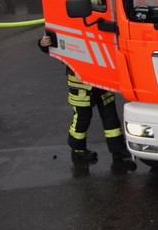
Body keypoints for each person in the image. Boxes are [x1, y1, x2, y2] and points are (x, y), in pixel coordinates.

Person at [39, 29, 135, 168]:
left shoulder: (101, 20)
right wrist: (43, 44)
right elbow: (57, 46)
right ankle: (77, 150)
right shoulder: (70, 22)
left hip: (102, 77)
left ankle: (117, 150)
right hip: (80, 81)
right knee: (82, 118)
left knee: (110, 116)